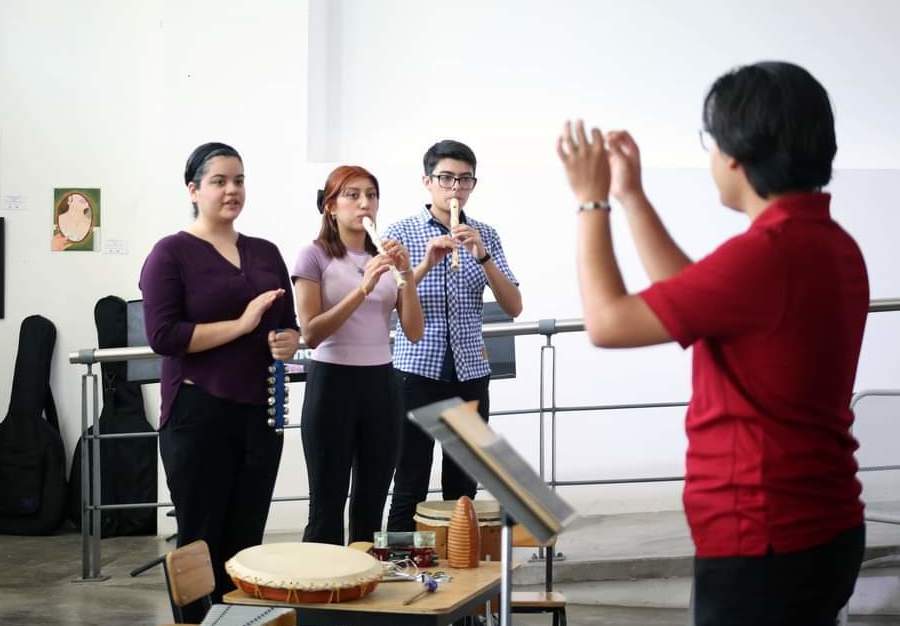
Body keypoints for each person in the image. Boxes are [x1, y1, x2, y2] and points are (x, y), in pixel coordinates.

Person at [557, 62, 867, 626]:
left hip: (764, 541)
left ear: (735, 154)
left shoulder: (766, 255)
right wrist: (631, 196)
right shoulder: (827, 243)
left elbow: (607, 323)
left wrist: (590, 201)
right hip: (824, 524)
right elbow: (693, 299)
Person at [140, 142, 300, 618]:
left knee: (247, 540)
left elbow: (287, 324)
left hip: (259, 412)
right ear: (193, 190)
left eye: (239, 180)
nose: (232, 190)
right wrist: (241, 326)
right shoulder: (170, 253)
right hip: (198, 414)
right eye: (219, 181)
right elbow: (163, 336)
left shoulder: (265, 252)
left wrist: (287, 341)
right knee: (199, 541)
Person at [385, 140, 522, 532]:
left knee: (463, 482)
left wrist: (482, 254)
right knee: (409, 477)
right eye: (446, 178)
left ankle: (460, 570)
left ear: (473, 185)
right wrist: (426, 263)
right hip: (415, 371)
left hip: (470, 371)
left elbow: (514, 305)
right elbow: (391, 303)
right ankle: (400, 566)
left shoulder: (487, 235)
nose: (455, 189)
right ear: (427, 181)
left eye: (464, 180)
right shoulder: (400, 232)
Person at [293, 165, 423, 545]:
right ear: (331, 206)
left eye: (371, 194)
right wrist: (363, 288)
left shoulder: (386, 254)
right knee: (326, 506)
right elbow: (311, 333)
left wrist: (408, 276)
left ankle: (365, 595)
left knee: (371, 507)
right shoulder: (313, 256)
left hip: (381, 384)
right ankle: (321, 597)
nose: (365, 203)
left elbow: (414, 332)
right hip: (331, 383)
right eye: (352, 195)